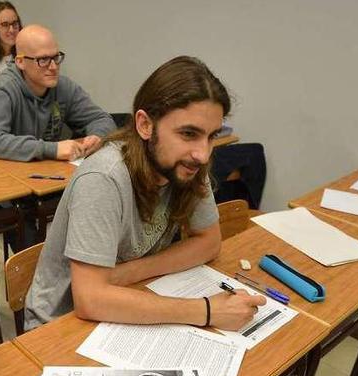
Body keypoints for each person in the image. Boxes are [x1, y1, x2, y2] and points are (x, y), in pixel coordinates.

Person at [24, 56, 266, 330]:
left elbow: (209, 242)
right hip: (60, 324)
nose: (202, 154)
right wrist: (207, 310)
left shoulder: (187, 165)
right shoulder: (104, 178)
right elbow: (90, 298)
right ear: (145, 125)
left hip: (130, 296)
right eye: (188, 134)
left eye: (211, 136)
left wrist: (130, 272)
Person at [0, 25, 116, 162]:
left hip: (47, 174)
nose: (53, 67)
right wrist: (51, 149)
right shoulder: (3, 89)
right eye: (43, 60)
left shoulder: (63, 86)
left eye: (56, 57)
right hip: (8, 175)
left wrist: (98, 136)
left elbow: (102, 119)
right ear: (20, 62)